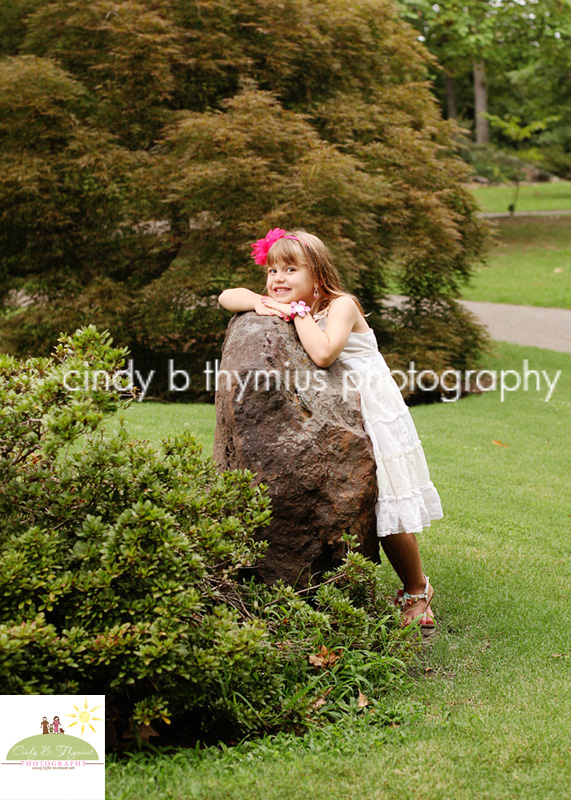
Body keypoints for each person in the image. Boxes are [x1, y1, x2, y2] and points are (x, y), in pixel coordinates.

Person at [218, 228, 443, 627]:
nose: (278, 279)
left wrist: (296, 313)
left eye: (290, 269)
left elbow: (323, 353)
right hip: (341, 411)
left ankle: (417, 589)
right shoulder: (286, 302)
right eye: (272, 271)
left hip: (374, 410)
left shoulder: (341, 305)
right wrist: (260, 302)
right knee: (368, 506)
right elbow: (226, 297)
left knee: (387, 506)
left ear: (317, 274)